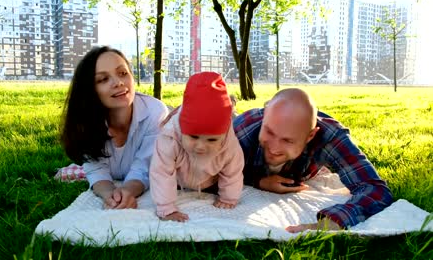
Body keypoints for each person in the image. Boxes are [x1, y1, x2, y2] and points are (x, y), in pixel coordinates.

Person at [233, 88, 393, 232]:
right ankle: (231, 109)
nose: (274, 148)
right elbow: (211, 175)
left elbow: (374, 188)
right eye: (269, 132)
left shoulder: (330, 136)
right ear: (265, 114)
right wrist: (258, 181)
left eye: (288, 141)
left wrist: (333, 222)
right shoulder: (243, 129)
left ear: (311, 135)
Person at [60, 46, 168, 210]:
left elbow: (145, 167)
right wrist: (110, 194)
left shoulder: (156, 112)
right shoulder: (86, 121)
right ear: (90, 90)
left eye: (123, 73)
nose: (118, 82)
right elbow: (96, 168)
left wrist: (127, 191)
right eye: (103, 79)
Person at [149, 72, 244, 222]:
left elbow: (233, 172)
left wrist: (229, 198)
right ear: (182, 127)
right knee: (163, 176)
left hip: (210, 183)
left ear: (223, 134)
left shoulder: (229, 144)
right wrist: (166, 207)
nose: (200, 146)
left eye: (212, 140)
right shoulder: (169, 138)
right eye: (193, 137)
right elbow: (161, 173)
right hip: (178, 183)